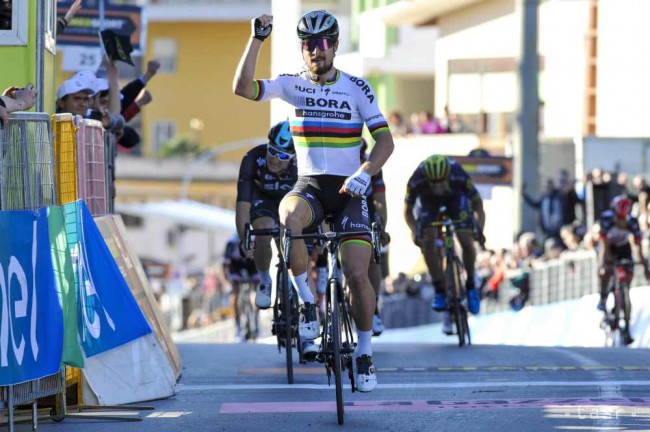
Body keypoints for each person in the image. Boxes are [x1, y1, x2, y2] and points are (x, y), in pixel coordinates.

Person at [233, 10, 395, 392]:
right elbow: (242, 88)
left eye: (322, 44)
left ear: (335, 46)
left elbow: (385, 141)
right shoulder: (291, 85)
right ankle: (307, 302)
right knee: (287, 215)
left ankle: (365, 352)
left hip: (349, 190)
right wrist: (256, 39)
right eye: (307, 45)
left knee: (357, 273)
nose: (314, 52)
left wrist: (365, 172)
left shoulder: (357, 88)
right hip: (309, 186)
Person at [235, 120, 317, 358]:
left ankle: (310, 334)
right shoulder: (253, 159)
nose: (274, 159)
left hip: (293, 201)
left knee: (301, 260)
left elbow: (317, 201)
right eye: (272, 150)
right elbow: (242, 206)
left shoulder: (304, 164)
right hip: (264, 199)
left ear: (293, 156)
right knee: (263, 229)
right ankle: (264, 280)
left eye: (282, 155)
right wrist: (244, 239)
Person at [403, 155, 485, 334]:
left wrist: (479, 229)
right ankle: (440, 289)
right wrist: (415, 230)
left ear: (448, 176)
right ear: (427, 179)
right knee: (428, 241)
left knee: (466, 240)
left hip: (456, 198)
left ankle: (471, 283)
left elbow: (478, 203)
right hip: (428, 202)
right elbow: (407, 211)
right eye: (434, 182)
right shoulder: (417, 180)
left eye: (441, 181)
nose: (438, 185)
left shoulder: (459, 175)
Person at [596, 195, 650, 345]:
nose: (622, 221)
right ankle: (603, 297)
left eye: (623, 217)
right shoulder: (606, 219)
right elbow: (603, 247)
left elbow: (638, 248)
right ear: (613, 213)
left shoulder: (632, 222)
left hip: (624, 249)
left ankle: (626, 327)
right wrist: (603, 264)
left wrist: (645, 267)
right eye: (619, 217)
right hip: (608, 248)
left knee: (626, 284)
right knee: (605, 270)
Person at [359, 139, 388, 336]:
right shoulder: (337, 162)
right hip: (340, 203)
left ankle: (374, 309)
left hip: (365, 206)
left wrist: (381, 227)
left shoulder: (373, 166)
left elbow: (380, 202)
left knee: (372, 257)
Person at [222, 233, 260, 341]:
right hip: (236, 268)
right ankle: (238, 325)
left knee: (256, 291)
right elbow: (225, 264)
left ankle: (256, 320)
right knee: (236, 293)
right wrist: (226, 280)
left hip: (252, 267)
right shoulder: (232, 243)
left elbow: (261, 259)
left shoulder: (254, 239)